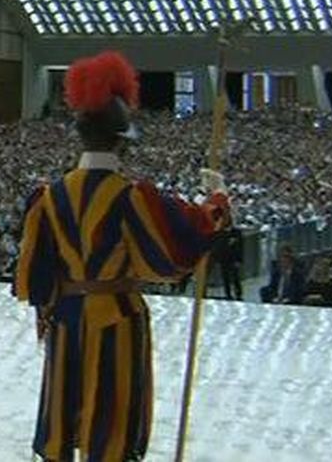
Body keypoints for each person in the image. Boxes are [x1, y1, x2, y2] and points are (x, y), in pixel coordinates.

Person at [13, 51, 233, 462]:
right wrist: (216, 199)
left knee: (65, 410)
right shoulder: (131, 196)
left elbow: (36, 277)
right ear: (120, 141)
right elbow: (177, 250)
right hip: (117, 318)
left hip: (66, 317)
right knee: (111, 423)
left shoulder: (47, 197)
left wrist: (51, 312)